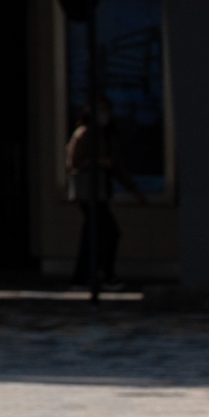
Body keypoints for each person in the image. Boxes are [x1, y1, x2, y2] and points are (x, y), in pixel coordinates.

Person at [66, 99, 146, 289]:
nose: (104, 115)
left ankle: (91, 276)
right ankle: (99, 276)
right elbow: (74, 163)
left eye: (106, 110)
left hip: (101, 192)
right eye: (100, 110)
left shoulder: (107, 136)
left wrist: (135, 190)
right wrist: (99, 162)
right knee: (104, 233)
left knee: (98, 234)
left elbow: (119, 167)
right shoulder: (84, 135)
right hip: (89, 193)